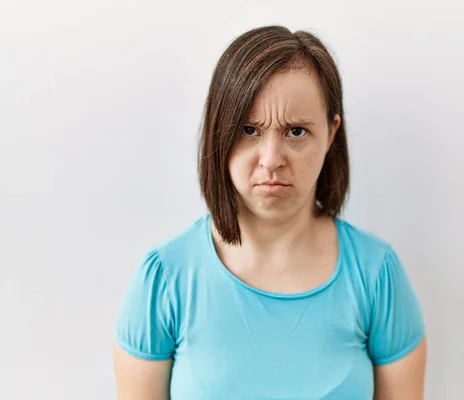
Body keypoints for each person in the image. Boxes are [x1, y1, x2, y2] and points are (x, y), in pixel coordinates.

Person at [113, 25, 427, 400]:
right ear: (219, 132)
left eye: (296, 131)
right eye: (249, 129)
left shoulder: (377, 274)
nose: (272, 160)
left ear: (331, 133)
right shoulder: (163, 280)